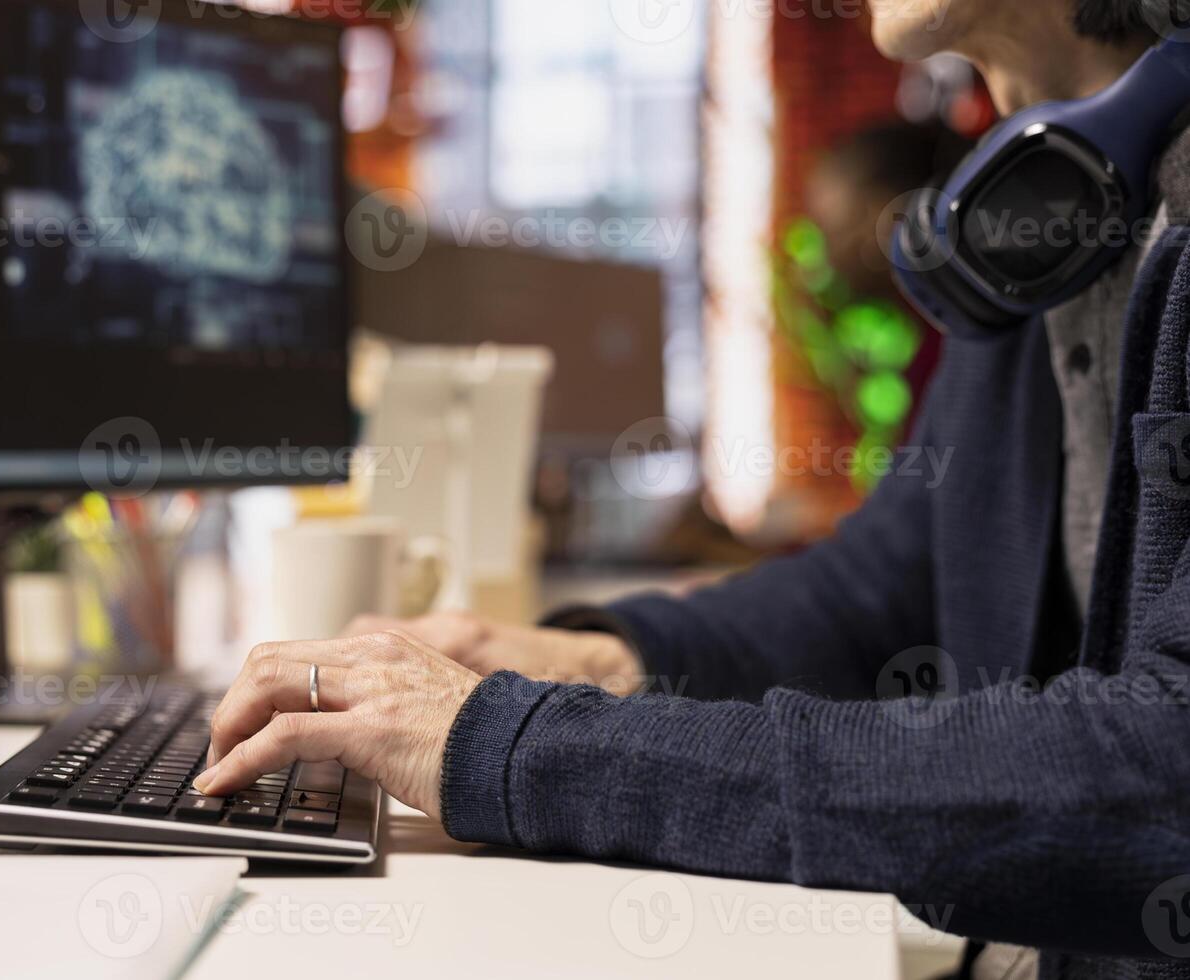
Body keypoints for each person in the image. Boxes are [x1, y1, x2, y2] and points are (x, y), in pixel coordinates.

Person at [194, 2, 1190, 977]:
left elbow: (1161, 771)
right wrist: (610, 654)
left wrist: (527, 747)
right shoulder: (1036, 221)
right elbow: (882, 589)